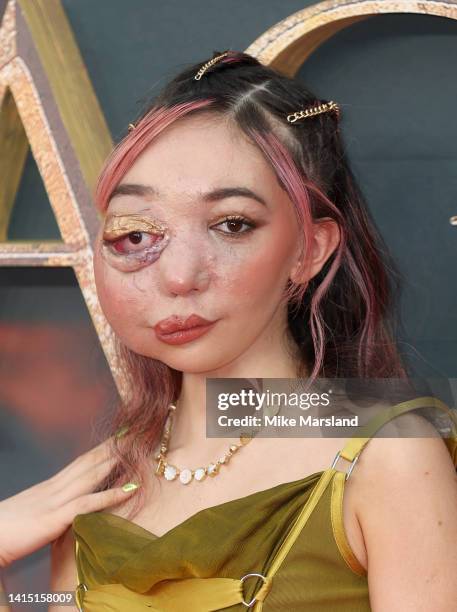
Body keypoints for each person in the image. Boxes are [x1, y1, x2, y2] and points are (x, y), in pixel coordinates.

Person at [1, 50, 457, 612]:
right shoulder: (100, 481)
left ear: (310, 250)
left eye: (233, 225)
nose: (178, 276)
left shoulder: (387, 456)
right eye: (137, 235)